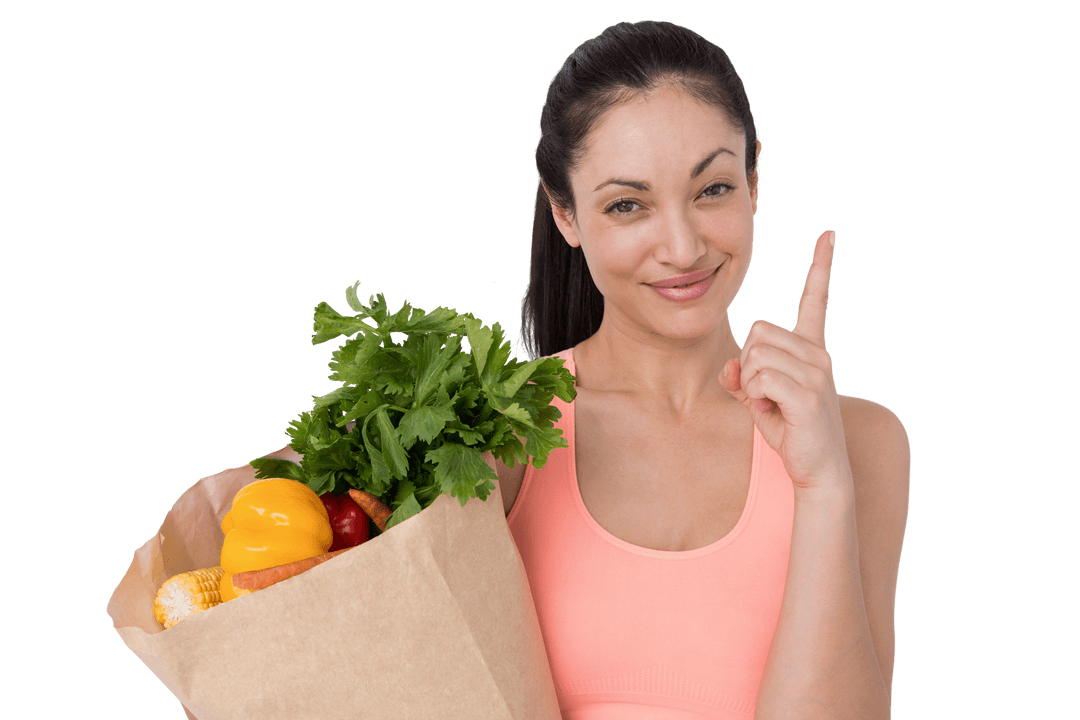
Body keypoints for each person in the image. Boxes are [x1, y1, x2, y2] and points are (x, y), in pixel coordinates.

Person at [482, 19, 910, 720]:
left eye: (712, 189)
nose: (682, 248)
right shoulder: (501, 429)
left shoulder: (859, 442)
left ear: (753, 180)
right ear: (566, 215)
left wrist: (821, 485)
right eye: (627, 205)